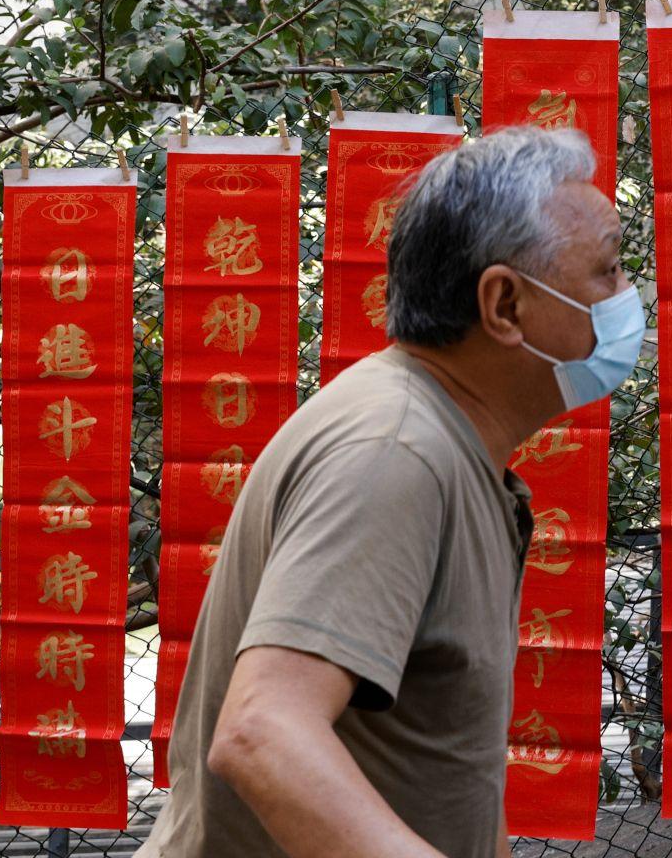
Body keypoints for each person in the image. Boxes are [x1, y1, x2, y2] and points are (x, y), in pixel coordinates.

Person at [141, 126, 643, 858]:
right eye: (609, 270)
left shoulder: (452, 448)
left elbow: (450, 777)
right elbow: (263, 732)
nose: (628, 297)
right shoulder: (395, 451)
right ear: (504, 305)